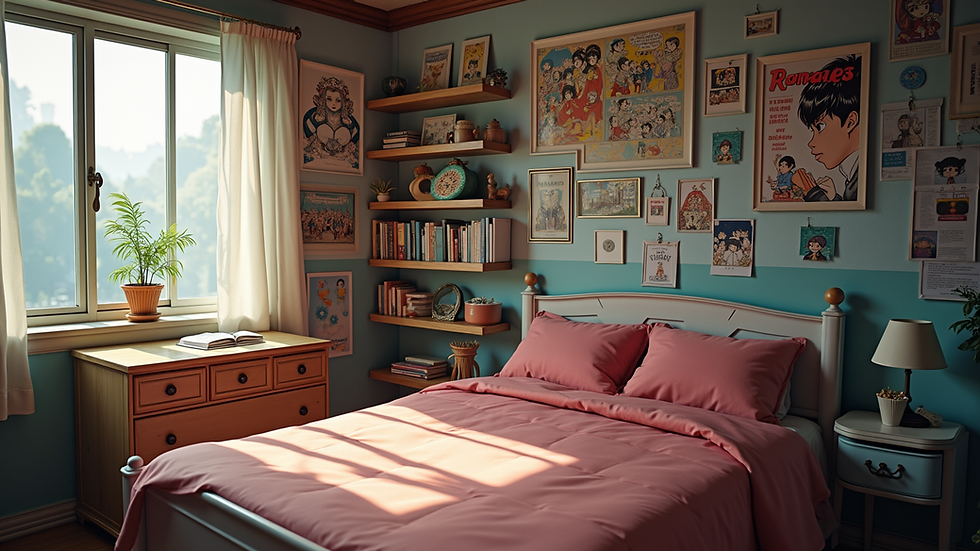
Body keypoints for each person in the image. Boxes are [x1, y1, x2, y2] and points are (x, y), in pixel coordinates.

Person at [794, 54, 862, 202]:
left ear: (850, 122)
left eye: (821, 126)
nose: (811, 143)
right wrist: (832, 197)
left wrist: (813, 193)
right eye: (813, 130)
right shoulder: (854, 173)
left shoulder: (861, 177)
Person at [302, 76, 360, 169]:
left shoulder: (351, 123)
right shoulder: (313, 118)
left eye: (338, 100)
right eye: (329, 99)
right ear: (323, 100)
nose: (334, 104)